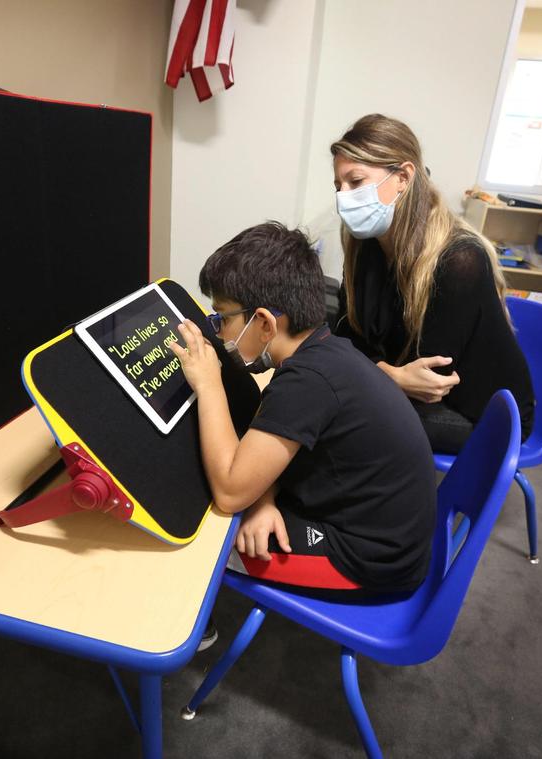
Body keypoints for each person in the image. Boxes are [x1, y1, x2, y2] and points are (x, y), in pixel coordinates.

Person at [168, 222, 437, 595]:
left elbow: (230, 492)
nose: (218, 333)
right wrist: (264, 498)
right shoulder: (326, 348)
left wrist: (209, 382)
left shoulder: (307, 382)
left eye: (224, 319)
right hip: (387, 529)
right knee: (243, 507)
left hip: (370, 560)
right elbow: (280, 447)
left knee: (203, 541)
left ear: (263, 322)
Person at [330, 114, 535, 454]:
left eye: (355, 181)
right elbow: (348, 336)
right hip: (412, 391)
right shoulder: (367, 243)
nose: (343, 197)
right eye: (339, 186)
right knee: (324, 390)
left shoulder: (459, 260)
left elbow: (428, 382)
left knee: (339, 416)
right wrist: (390, 374)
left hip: (480, 415)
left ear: (404, 177)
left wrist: (374, 369)